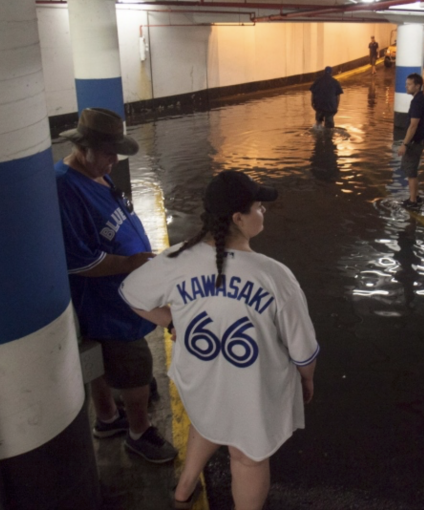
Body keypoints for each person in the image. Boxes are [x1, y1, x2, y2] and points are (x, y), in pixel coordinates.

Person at [119, 170, 319, 510]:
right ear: (239, 218)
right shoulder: (274, 276)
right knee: (247, 458)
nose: (263, 211)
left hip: (200, 380)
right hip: (249, 387)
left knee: (209, 417)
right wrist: (306, 378)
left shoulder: (177, 258)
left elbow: (130, 293)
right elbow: (303, 350)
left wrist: (170, 321)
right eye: (258, 206)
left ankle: (183, 490)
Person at [55, 107, 177, 463]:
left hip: (122, 293)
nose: (113, 161)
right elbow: (77, 259)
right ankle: (139, 434)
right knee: (136, 366)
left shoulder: (96, 175)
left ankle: (107, 418)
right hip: (107, 302)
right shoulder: (64, 187)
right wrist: (129, 262)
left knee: (103, 360)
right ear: (84, 148)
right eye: (108, 154)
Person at [397, 73, 424, 208]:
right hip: (418, 141)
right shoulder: (422, 99)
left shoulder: (417, 102)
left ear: (418, 86)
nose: (406, 86)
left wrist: (404, 144)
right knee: (411, 170)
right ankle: (415, 196)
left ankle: (413, 201)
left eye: (409, 84)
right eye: (406, 84)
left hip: (414, 143)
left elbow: (413, 125)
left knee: (411, 172)